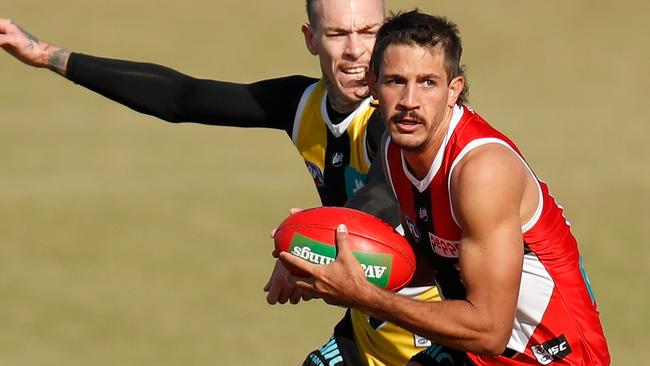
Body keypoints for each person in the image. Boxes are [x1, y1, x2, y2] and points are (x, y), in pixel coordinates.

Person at [0, 1, 441, 365]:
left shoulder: (401, 122)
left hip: (436, 335)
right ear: (310, 38)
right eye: (337, 34)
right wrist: (46, 55)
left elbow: (387, 191)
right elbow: (182, 97)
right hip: (367, 334)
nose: (355, 51)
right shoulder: (302, 104)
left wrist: (314, 241)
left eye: (368, 32)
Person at [279, 10, 611, 365]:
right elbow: (430, 261)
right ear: (373, 86)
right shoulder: (396, 150)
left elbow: (490, 330)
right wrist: (330, 257)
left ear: (454, 90)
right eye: (395, 81)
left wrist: (363, 295)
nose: (409, 100)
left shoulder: (481, 172)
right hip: (475, 352)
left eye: (427, 82)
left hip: (550, 357)